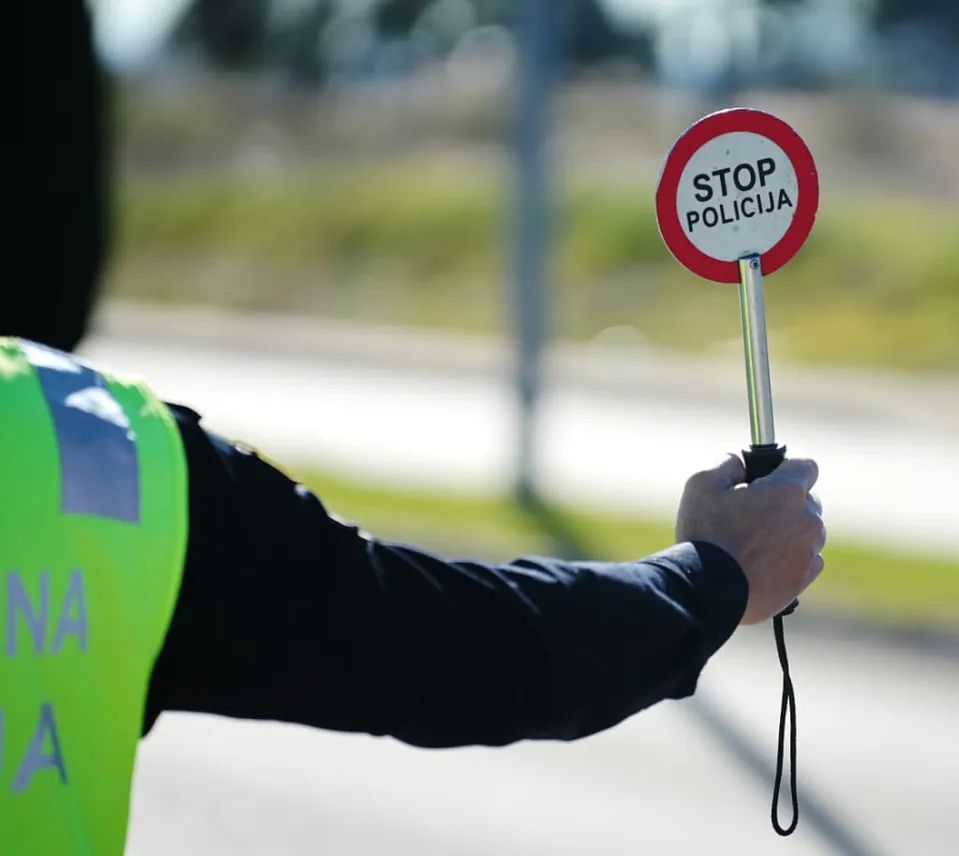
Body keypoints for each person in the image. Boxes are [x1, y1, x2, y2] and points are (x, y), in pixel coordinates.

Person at [0, 3, 827, 855]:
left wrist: (704, 582)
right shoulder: (88, 458)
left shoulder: (90, 452)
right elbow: (459, 649)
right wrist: (707, 578)